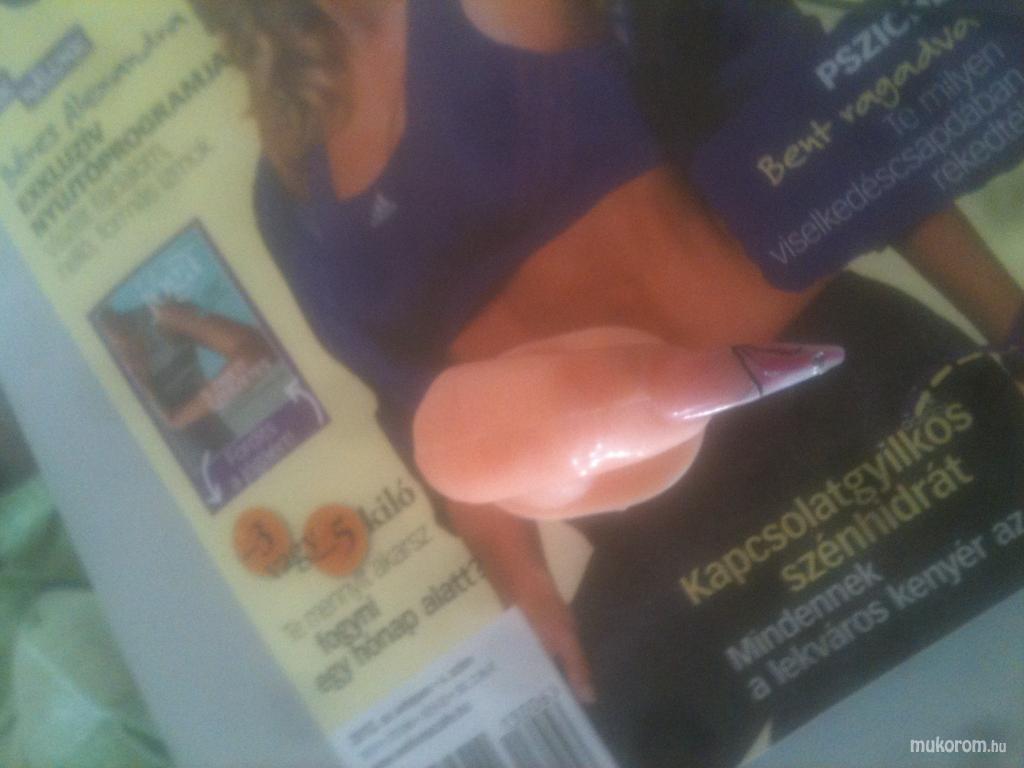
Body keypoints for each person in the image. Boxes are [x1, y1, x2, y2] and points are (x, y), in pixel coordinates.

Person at [193, 0, 1024, 763]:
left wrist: (1011, 327)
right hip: (656, 536)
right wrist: (525, 591)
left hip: (841, 404)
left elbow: (843, 129)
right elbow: (420, 414)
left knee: (956, 729)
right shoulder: (288, 192)